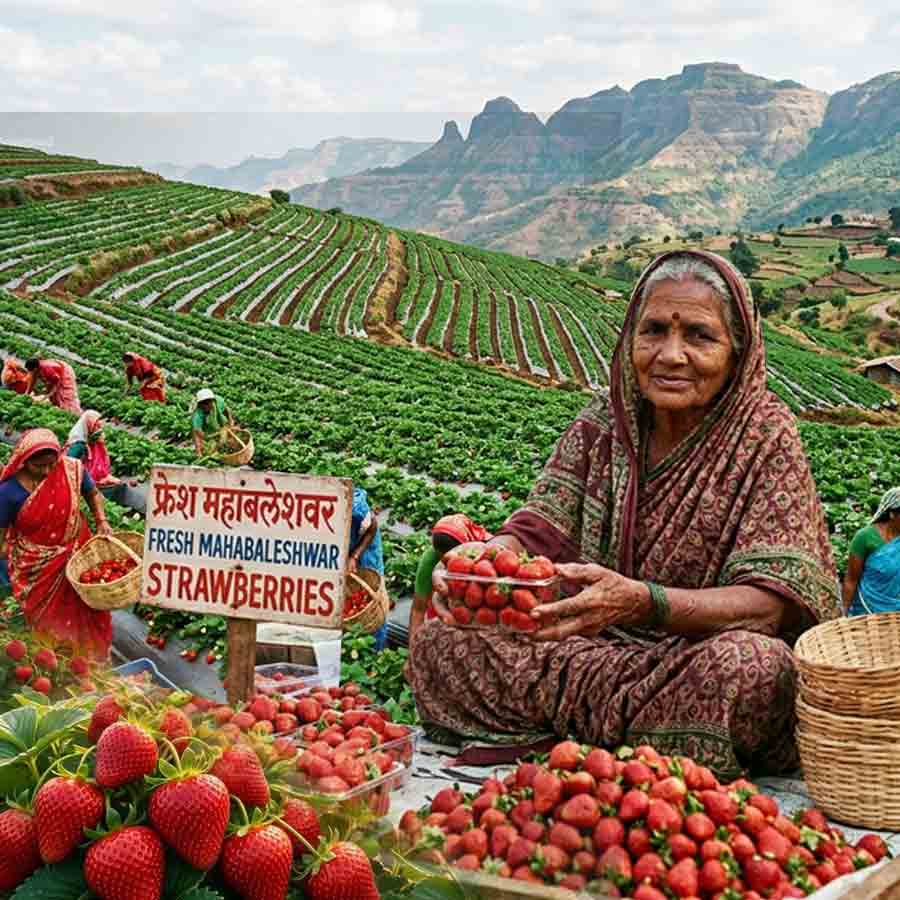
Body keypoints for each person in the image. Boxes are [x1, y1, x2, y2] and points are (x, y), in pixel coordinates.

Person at [409, 250, 840, 779]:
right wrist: (486, 563)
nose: (671, 355)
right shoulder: (606, 419)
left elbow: (770, 607)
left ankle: (579, 727)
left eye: (700, 336)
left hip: (693, 656)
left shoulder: (764, 436)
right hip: (588, 648)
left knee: (752, 670)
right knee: (442, 641)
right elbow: (536, 527)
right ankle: (640, 738)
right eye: (653, 330)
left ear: (737, 352)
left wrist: (643, 602)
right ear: (630, 338)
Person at [0, 428, 113, 658]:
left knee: (86, 607)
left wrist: (101, 520)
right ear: (24, 461)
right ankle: (54, 662)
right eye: (38, 466)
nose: (46, 471)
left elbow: (92, 493)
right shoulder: (8, 492)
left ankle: (90, 659)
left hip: (76, 553)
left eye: (51, 464)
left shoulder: (71, 470)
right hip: (36, 566)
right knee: (45, 619)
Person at [410, 514, 491, 645]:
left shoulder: (486, 558)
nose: (444, 561)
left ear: (464, 549)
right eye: (440, 556)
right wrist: (413, 646)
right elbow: (418, 609)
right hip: (441, 614)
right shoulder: (430, 560)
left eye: (450, 558)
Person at [843, 487, 900, 615]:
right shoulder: (865, 537)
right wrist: (843, 614)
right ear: (892, 514)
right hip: (866, 611)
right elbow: (851, 579)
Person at [349, 487, 388, 650]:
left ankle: (376, 648)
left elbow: (372, 524)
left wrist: (354, 556)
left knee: (371, 594)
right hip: (345, 545)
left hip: (366, 546)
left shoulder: (355, 509)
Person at [64, 410, 119, 488]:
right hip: (80, 476)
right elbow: (70, 464)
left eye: (98, 425)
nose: (98, 428)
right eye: (95, 426)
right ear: (88, 424)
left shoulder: (90, 436)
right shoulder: (78, 443)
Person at [192, 388, 234, 456]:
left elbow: (227, 410)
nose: (207, 406)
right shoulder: (197, 414)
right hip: (208, 433)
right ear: (200, 405)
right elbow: (196, 432)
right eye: (204, 405)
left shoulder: (218, 401)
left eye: (209, 403)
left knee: (229, 440)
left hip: (222, 426)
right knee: (211, 448)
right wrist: (198, 451)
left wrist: (230, 421)